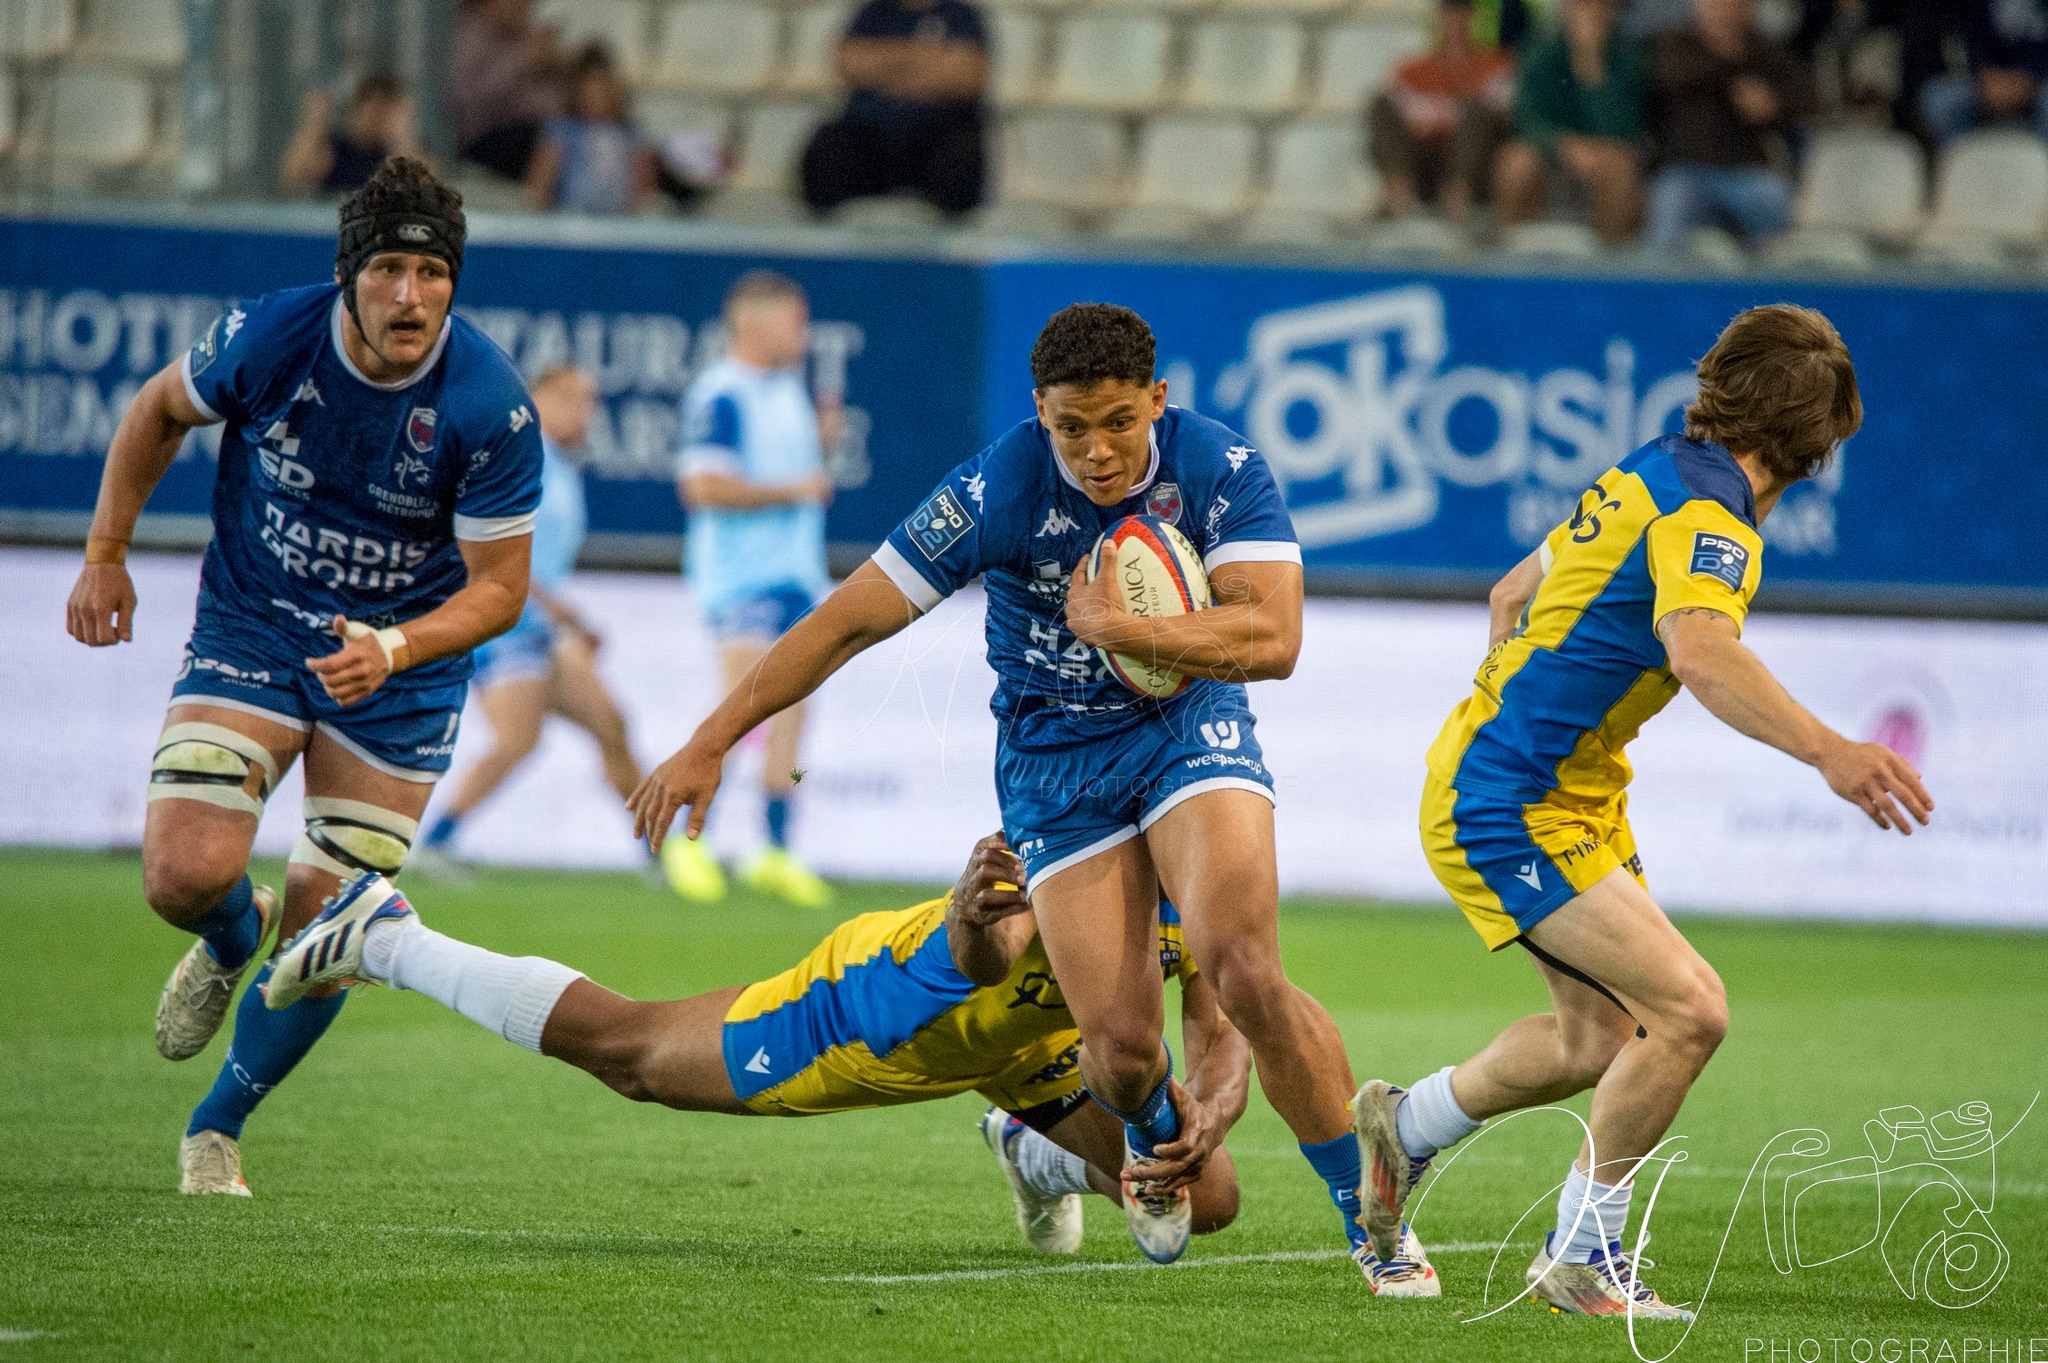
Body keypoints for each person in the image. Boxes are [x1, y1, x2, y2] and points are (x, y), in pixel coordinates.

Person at [629, 302, 1439, 1296]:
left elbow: (1272, 641)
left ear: (1157, 400)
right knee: (1125, 1050)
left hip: (1186, 732)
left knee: (1241, 962)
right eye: (1069, 428)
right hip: (1055, 765)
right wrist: (708, 742)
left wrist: (1115, 627)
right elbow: (846, 622)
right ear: (1038, 414)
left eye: (1116, 424)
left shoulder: (1218, 469)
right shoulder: (995, 486)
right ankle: (1137, 1140)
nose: (1095, 452)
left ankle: (1371, 1221)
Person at [1356, 305, 1932, 1319]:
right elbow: (1699, 651)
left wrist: (1516, 698)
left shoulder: (1652, 464)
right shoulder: (1711, 523)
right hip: (1510, 800)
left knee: (1599, 1040)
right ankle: (1580, 1257)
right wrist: (1829, 751)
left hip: (1538, 784)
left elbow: (1509, 591)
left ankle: (1402, 1129)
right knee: (1688, 1011)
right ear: (1820, 441)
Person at [63, 157, 542, 1197]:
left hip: (404, 671)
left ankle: (217, 1127)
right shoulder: (272, 338)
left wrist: (396, 645)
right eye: (387, 271)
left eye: (429, 271)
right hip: (256, 624)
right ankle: (233, 931)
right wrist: (106, 552)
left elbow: (501, 589)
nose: (409, 296)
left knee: (335, 928)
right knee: (180, 876)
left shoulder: (489, 403)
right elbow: (155, 411)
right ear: (347, 277)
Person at [264, 834, 1247, 1262]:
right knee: (631, 1055)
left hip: (1035, 1044)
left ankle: (1025, 1149)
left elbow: (1218, 1013)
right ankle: (388, 936)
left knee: (1211, 1198)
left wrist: (1210, 1102)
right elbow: (986, 955)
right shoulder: (1066, 843)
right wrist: (978, 925)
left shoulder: (1198, 867)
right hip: (874, 1012)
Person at [414, 366, 647, 873]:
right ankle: (433, 842)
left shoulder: (561, 465)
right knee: (519, 739)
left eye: (590, 401)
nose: (585, 411)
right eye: (571, 398)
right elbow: (483, 543)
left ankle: (660, 853)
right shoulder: (519, 457)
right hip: (502, 625)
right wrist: (557, 608)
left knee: (611, 724)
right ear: (538, 400)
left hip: (538, 626)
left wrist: (563, 617)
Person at [664, 272, 838, 908]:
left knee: (795, 710)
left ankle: (775, 846)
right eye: (796, 321)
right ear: (756, 325)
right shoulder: (721, 395)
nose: (805, 334)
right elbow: (702, 487)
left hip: (795, 572)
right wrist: (795, 487)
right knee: (742, 708)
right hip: (741, 577)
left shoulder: (787, 389)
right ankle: (688, 838)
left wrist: (817, 450)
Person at [1644, 0, 1814, 252]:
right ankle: (1655, 286)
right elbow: (1671, 74)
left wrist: (1772, 103)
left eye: (1732, 6)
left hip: (1744, 171)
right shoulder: (1677, 42)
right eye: (1715, 5)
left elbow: (1808, 98)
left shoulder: (1764, 49)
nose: (1723, 13)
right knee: (1670, 208)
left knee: (1773, 197)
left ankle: (1768, 285)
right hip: (1685, 169)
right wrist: (1732, 64)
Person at [800, 0, 989, 218]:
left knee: (964, 158)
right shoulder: (872, 12)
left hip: (939, 137)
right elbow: (850, 64)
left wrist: (885, 68)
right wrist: (927, 65)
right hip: (872, 138)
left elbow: (968, 76)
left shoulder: (962, 15)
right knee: (828, 149)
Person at [1495, 0, 1648, 244]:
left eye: (1600, 7)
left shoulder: (1628, 55)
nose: (1591, 15)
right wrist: (1564, 146)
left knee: (1621, 169)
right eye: (1583, 7)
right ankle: (1514, 249)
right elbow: (1528, 118)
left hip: (1604, 150)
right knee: (1515, 164)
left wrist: (1592, 67)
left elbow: (1622, 129)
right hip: (1552, 148)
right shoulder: (1541, 48)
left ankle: (1613, 260)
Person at [1369, 0, 1516, 222]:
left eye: (1460, 13)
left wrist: (1437, 120)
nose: (1454, 21)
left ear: (1471, 18)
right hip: (1424, 163)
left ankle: (1458, 199)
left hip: (1477, 168)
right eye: (1448, 14)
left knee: (1478, 115)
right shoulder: (1413, 70)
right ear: (1438, 18)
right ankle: (1399, 194)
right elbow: (1394, 111)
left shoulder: (1496, 64)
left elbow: (1500, 113)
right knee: (1381, 104)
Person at [525, 45, 656, 215]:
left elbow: (643, 184)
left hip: (619, 224)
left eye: (602, 92)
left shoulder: (630, 134)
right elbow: (542, 178)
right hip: (570, 220)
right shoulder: (563, 130)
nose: (596, 100)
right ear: (577, 93)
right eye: (590, 94)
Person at [452, 0, 567, 182]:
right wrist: (524, 59)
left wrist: (555, 72)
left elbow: (546, 109)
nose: (524, 6)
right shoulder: (471, 30)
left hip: (520, 147)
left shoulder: (524, 37)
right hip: (473, 144)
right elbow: (468, 95)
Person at [1916, 0, 2048, 144]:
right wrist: (1986, 78)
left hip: (2039, 84)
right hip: (1989, 83)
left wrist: (2031, 81)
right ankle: (1967, 162)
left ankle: (2039, 162)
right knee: (1938, 99)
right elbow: (1971, 42)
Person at [280, 75, 425, 196]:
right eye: (368, 108)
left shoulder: (400, 152)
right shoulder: (335, 147)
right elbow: (294, 178)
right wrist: (314, 127)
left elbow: (425, 186)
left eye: (381, 111)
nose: (373, 117)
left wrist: (403, 134)